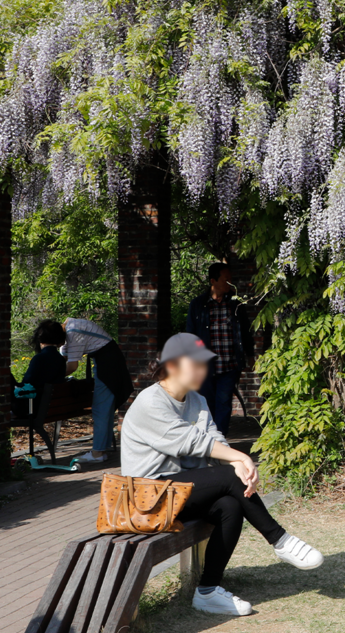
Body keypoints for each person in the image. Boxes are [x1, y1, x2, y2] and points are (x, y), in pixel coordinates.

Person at [121, 333, 323, 616]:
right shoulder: (150, 401)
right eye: (197, 364)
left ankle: (207, 592)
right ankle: (279, 540)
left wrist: (238, 463)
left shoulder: (197, 400)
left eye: (205, 365)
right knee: (230, 476)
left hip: (178, 495)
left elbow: (214, 437)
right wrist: (239, 458)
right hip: (146, 500)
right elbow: (188, 442)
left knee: (229, 506)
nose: (203, 371)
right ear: (173, 365)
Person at [186, 262, 255, 437]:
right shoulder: (198, 304)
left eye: (231, 280)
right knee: (207, 403)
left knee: (224, 402)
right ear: (213, 281)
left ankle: (220, 440)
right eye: (226, 280)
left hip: (229, 363)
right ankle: (208, 441)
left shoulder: (235, 304)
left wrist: (250, 354)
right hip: (205, 365)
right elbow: (190, 334)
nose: (230, 284)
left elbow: (245, 330)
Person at [63, 317, 134, 464]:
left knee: (100, 409)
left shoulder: (73, 332)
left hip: (107, 364)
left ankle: (97, 453)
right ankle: (101, 449)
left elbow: (72, 367)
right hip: (109, 361)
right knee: (104, 408)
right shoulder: (72, 325)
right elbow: (64, 354)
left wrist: (52, 376)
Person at [13, 320, 69, 418]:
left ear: (40, 339)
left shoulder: (39, 358)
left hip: (34, 407)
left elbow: (27, 382)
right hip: (52, 406)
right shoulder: (60, 359)